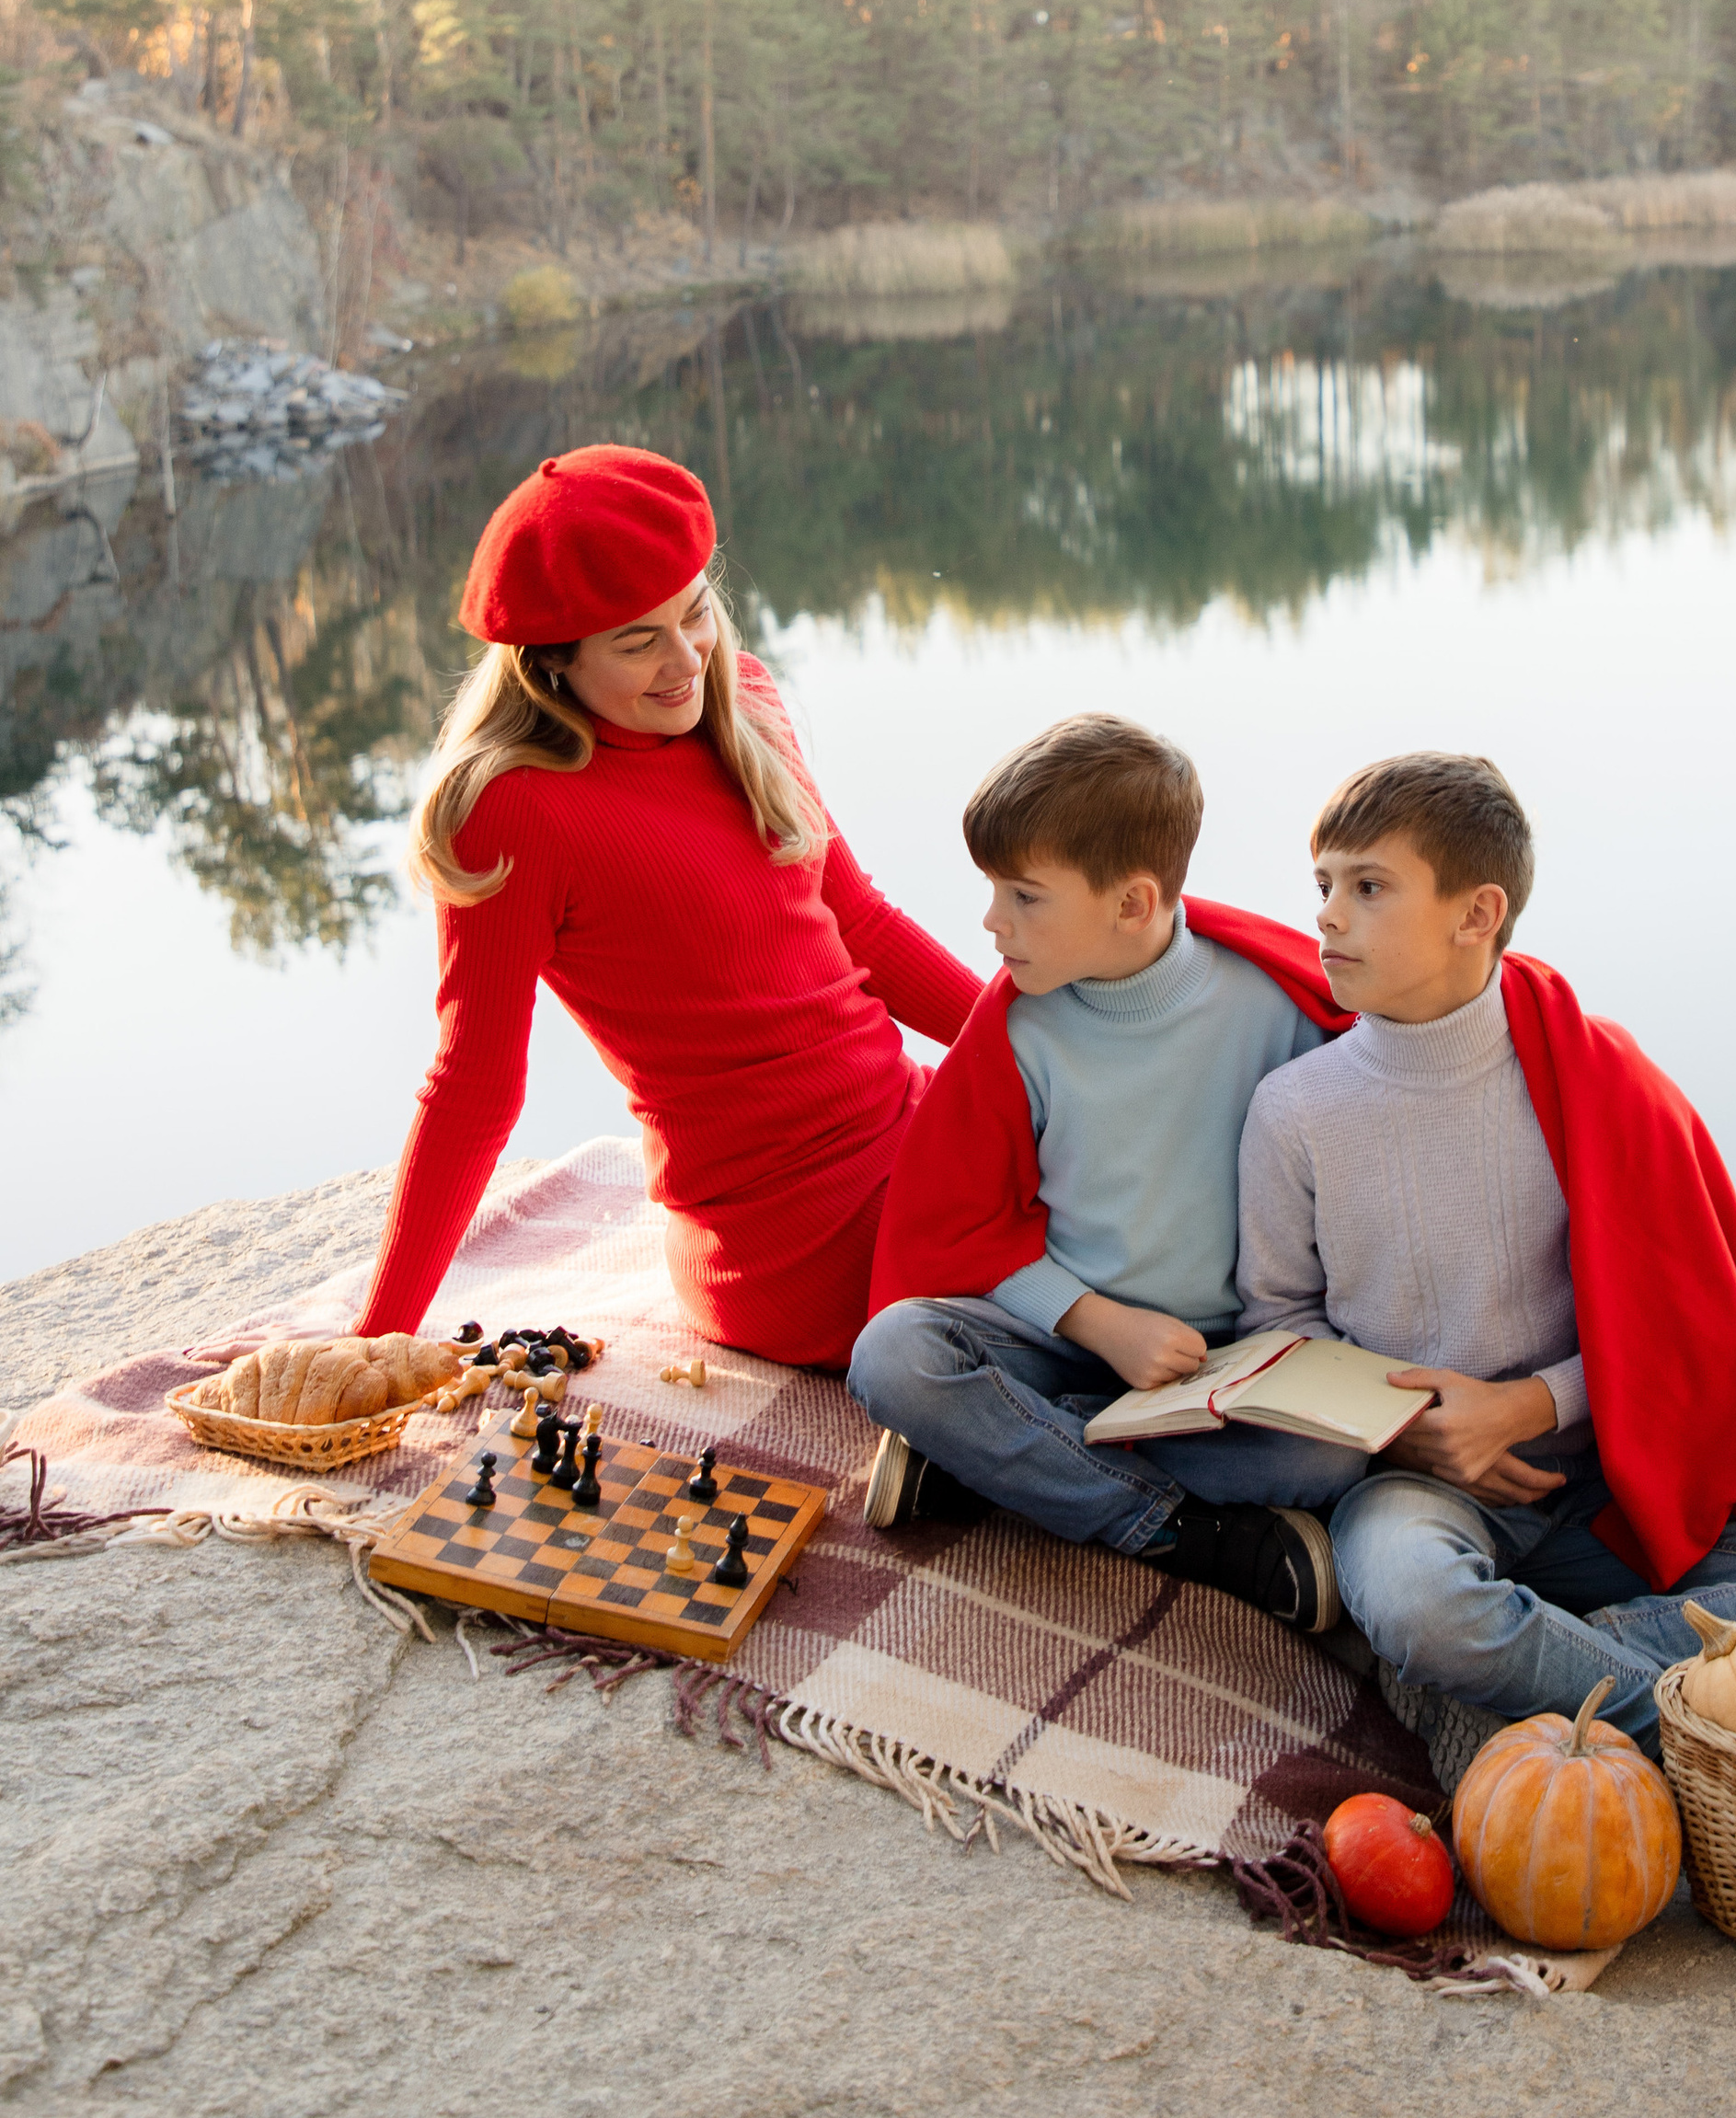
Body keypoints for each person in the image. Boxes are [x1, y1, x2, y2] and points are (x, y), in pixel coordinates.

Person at [1236, 749, 1736, 1747]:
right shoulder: (1296, 1110)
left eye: (1368, 887)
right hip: (1418, 1488)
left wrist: (1525, 1407)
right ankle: (1701, 1719)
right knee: (1420, 1607)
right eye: (1323, 887)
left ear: (1476, 914)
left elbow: (1671, 1318)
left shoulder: (1593, 1072)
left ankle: (1576, 1663)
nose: (1327, 918)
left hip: (1606, 1483)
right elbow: (1277, 1322)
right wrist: (1410, 1428)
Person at [355, 443, 981, 1364]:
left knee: (1155, 1152)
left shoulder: (741, 697)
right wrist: (376, 1338)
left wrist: (1046, 1042)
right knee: (1119, 1267)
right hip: (790, 1237)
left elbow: (862, 927)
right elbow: (472, 1088)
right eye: (637, 642)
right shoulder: (513, 809)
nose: (684, 659)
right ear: (552, 661)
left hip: (909, 1130)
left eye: (695, 614)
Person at [848, 713, 1362, 1633]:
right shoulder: (1023, 1027)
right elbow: (964, 1225)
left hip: (1219, 1358)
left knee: (1328, 1460)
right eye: (993, 890)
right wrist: (1100, 1322)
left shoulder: (1274, 1005)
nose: (992, 921)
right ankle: (1184, 1535)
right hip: (1061, 1336)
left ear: (1131, 903)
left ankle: (994, 1464)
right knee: (895, 1355)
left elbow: (1352, 1170)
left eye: (1024, 895)